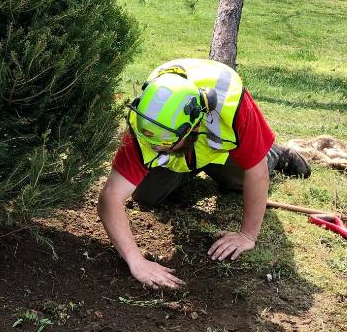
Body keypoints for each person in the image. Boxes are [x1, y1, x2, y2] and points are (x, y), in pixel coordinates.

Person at [97, 58, 311, 290]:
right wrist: (136, 261)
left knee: (243, 181)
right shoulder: (149, 119)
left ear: (193, 126)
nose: (155, 148)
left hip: (221, 149)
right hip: (186, 152)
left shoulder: (234, 103)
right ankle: (189, 168)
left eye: (164, 144)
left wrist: (247, 235)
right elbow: (110, 197)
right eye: (153, 143)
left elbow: (256, 175)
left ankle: (274, 154)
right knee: (146, 195)